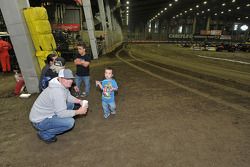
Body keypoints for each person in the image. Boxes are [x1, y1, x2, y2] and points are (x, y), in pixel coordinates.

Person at [29, 69, 88, 144]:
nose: (70, 81)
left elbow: (68, 96)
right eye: (67, 79)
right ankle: (45, 134)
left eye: (71, 79)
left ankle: (53, 123)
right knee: (70, 122)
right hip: (40, 121)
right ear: (60, 78)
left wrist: (80, 101)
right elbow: (61, 113)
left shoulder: (59, 84)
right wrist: (78, 112)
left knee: (70, 104)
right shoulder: (57, 92)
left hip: (46, 113)